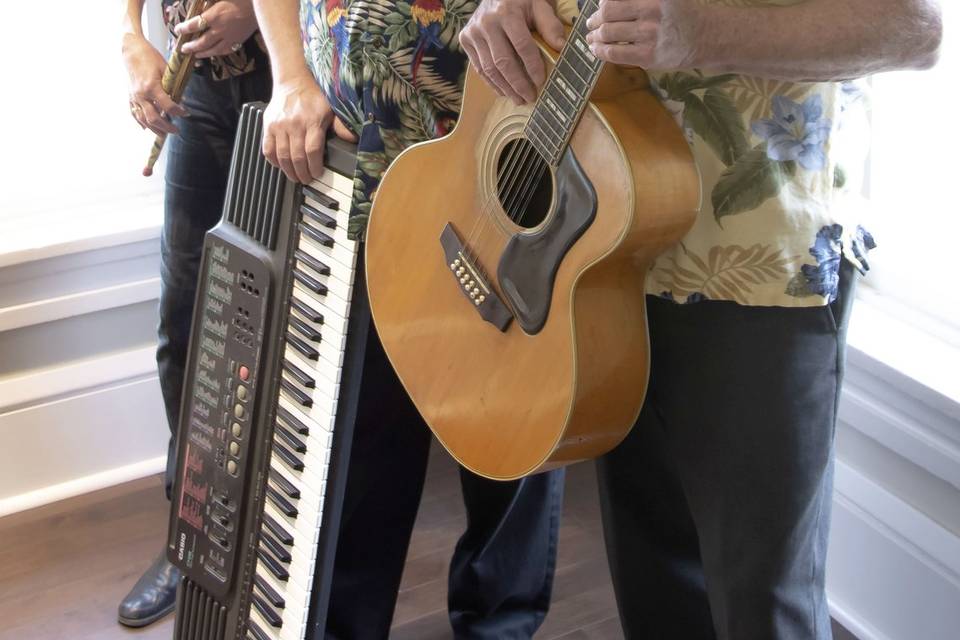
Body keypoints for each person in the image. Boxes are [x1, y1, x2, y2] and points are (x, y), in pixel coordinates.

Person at [456, 0, 943, 638]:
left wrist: (703, 34)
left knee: (758, 608)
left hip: (755, 274)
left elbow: (916, 30)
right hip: (602, 253)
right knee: (655, 591)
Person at [120, 0, 565, 636]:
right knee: (354, 418)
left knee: (512, 386)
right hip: (357, 140)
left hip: (495, 119)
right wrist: (293, 76)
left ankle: (501, 625)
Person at [251, 1, 568, 638]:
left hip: (503, 153)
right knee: (351, 446)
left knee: (513, 426)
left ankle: (499, 629)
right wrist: (288, 75)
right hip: (354, 166)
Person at [118, 0, 273, 628]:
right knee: (182, 325)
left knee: (288, 321)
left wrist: (258, 15)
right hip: (201, 86)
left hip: (290, 77)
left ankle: (278, 548)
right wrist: (130, 38)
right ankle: (191, 539)